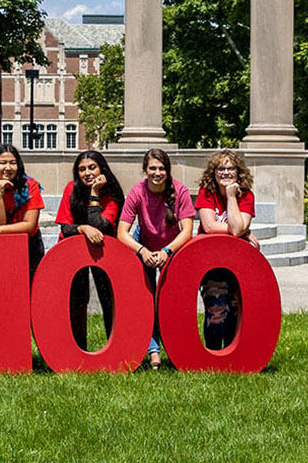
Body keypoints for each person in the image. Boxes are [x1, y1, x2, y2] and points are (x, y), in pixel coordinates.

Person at [116, 148, 195, 369]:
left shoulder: (180, 190)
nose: (157, 172)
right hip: (144, 245)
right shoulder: (137, 191)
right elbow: (122, 233)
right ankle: (153, 352)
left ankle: (180, 349)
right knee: (146, 301)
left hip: (172, 246)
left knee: (172, 302)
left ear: (167, 171)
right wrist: (142, 251)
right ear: (145, 170)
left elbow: (187, 230)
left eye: (161, 168)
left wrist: (166, 251)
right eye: (152, 168)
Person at [55, 151, 124, 350]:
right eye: (82, 169)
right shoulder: (71, 189)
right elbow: (65, 228)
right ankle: (78, 348)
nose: (87, 173)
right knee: (77, 299)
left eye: (92, 167)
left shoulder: (112, 194)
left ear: (102, 168)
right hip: (74, 252)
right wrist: (82, 228)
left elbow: (101, 225)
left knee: (109, 299)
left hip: (104, 252)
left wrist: (94, 193)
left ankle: (116, 348)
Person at [0, 144, 45, 279]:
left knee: (31, 291)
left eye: (13, 163)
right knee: (1, 292)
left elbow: (29, 226)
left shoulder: (30, 185)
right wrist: (0, 195)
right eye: (2, 163)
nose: (8, 168)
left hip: (29, 245)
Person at [196, 149, 259, 249]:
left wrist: (231, 196)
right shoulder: (206, 192)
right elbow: (209, 227)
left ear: (238, 172)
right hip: (209, 244)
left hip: (235, 246)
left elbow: (237, 231)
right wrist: (243, 231)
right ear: (213, 172)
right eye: (221, 169)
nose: (226, 173)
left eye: (231, 169)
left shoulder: (247, 196)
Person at [199, 268, 241, 350]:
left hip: (237, 272)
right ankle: (214, 353)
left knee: (235, 313)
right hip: (213, 273)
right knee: (215, 315)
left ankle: (232, 354)